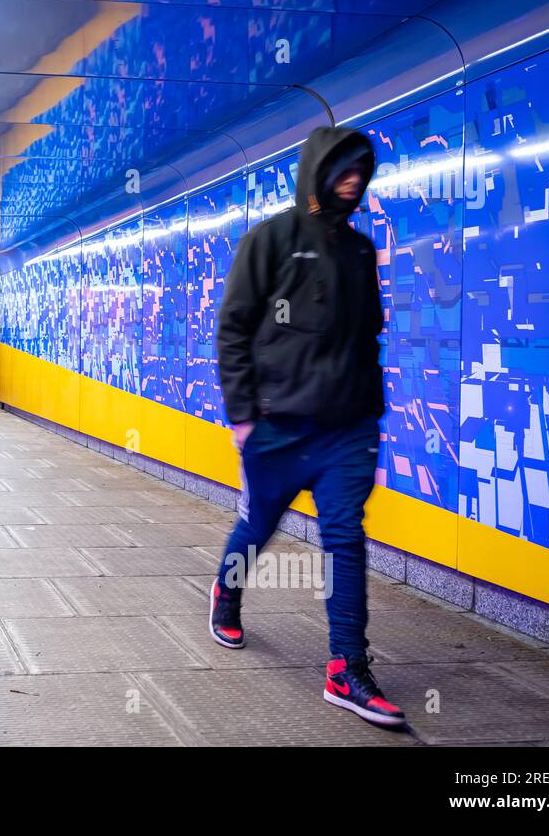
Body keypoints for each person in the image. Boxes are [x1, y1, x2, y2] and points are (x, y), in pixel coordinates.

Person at [210, 125, 405, 728]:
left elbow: (368, 333)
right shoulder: (267, 242)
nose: (352, 182)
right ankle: (227, 593)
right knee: (260, 524)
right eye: (342, 171)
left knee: (344, 537)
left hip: (347, 431)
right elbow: (234, 329)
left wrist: (370, 414)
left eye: (360, 174)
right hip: (279, 429)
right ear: (318, 171)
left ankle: (347, 668)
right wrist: (244, 417)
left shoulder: (359, 252)